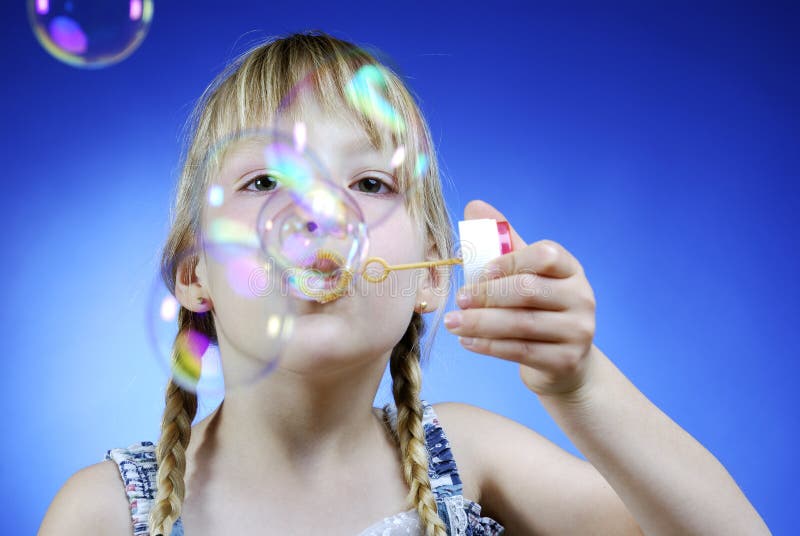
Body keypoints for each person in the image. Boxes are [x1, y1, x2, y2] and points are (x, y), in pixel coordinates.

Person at [39, 31, 770, 536]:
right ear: (197, 275)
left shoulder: (475, 460)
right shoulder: (101, 514)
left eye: (369, 181)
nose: (320, 216)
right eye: (264, 180)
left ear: (430, 273)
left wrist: (579, 387)